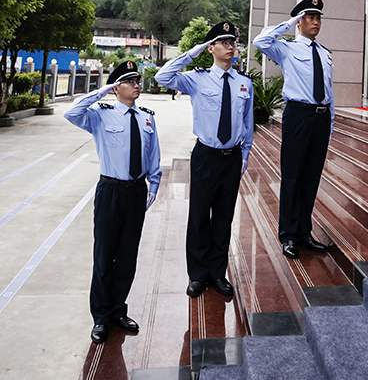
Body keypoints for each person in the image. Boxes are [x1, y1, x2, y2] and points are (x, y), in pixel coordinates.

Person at [64, 60, 161, 344]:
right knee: (105, 255)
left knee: (128, 255)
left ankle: (118, 310)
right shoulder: (100, 114)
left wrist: (154, 183)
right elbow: (71, 112)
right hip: (110, 190)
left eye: (137, 80)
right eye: (129, 80)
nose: (136, 84)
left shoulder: (146, 117)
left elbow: (153, 153)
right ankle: (101, 317)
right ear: (117, 86)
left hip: (136, 191)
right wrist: (101, 91)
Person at [155, 21, 253, 297]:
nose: (230, 46)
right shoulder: (196, 78)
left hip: (231, 157)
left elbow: (248, 123)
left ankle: (217, 273)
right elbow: (163, 76)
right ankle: (197, 275)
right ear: (211, 48)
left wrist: (244, 156)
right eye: (223, 42)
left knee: (224, 216)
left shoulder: (244, 83)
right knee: (199, 216)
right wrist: (192, 52)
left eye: (232, 42)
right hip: (205, 156)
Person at [253, 0, 334, 259]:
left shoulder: (325, 54)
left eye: (318, 17)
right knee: (292, 176)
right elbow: (260, 42)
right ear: (300, 21)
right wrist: (288, 23)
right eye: (310, 17)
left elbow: (329, 90)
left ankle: (303, 232)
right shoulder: (286, 48)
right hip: (298, 116)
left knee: (311, 177)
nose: (316, 22)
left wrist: (329, 124)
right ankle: (288, 234)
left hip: (320, 118)